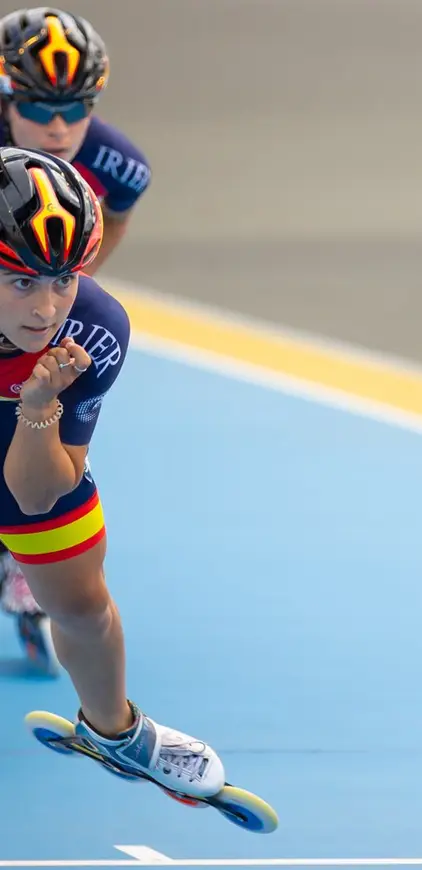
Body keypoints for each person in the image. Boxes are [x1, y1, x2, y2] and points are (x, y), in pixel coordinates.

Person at [0, 143, 226, 803]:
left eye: (63, 278)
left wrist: (39, 406)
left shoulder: (95, 329)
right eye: (22, 282)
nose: (47, 307)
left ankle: (115, 732)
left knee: (82, 607)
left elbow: (38, 492)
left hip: (23, 441)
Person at [0, 7, 151, 671]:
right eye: (37, 105)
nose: (58, 125)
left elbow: (109, 220)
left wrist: (54, 287)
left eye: (75, 106)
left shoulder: (121, 167)